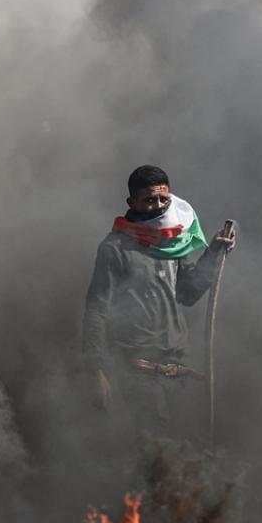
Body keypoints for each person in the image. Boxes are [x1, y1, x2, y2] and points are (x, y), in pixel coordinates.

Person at [82, 165, 235, 437]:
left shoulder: (171, 243)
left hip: (178, 373)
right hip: (139, 376)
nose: (159, 206)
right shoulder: (115, 248)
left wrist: (214, 253)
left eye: (164, 199)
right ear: (132, 203)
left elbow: (188, 293)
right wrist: (97, 370)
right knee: (160, 454)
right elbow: (97, 309)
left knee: (188, 453)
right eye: (150, 200)